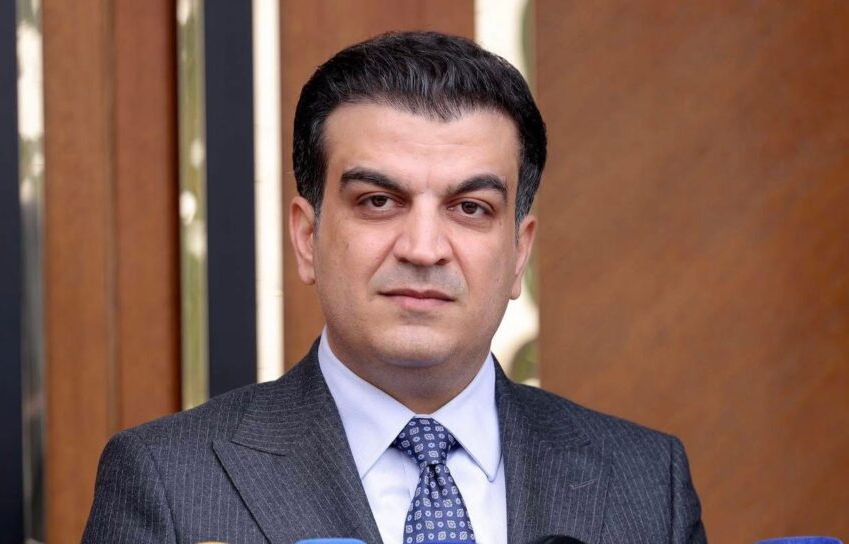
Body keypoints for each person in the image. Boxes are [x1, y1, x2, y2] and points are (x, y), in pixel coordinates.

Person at [82, 31, 706, 544]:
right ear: (307, 236)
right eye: (379, 201)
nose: (424, 248)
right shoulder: (169, 483)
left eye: (470, 208)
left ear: (519, 254)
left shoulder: (648, 484)